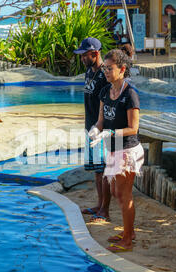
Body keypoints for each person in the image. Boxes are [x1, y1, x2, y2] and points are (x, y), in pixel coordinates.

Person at [89, 49, 144, 252]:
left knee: (123, 195)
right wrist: (96, 130)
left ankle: (128, 240)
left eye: (109, 68)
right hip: (112, 149)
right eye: (104, 68)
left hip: (127, 149)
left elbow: (133, 128)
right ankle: (128, 232)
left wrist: (109, 134)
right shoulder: (105, 91)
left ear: (122, 69)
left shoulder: (130, 95)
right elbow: (101, 121)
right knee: (114, 191)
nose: (105, 72)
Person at [73, 38, 111, 222]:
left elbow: (109, 104)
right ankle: (99, 204)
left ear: (95, 54)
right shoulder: (89, 72)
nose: (82, 59)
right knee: (97, 170)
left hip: (101, 128)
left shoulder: (106, 75)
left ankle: (105, 209)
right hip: (90, 127)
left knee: (104, 169)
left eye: (85, 55)